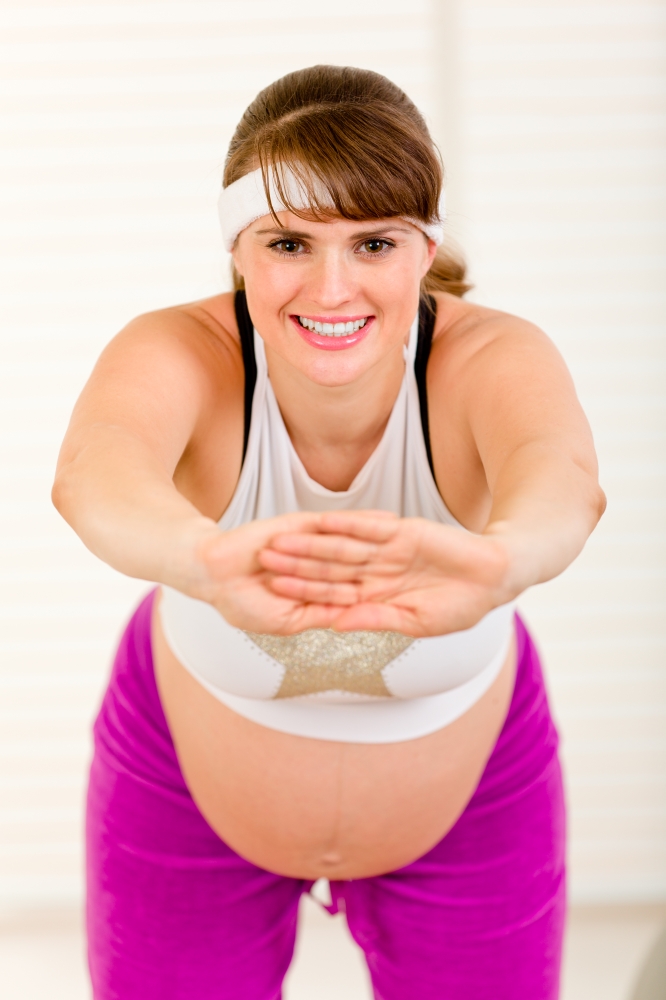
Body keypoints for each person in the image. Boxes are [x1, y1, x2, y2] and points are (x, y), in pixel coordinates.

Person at [52, 65, 605, 1000]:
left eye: (374, 242)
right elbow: (95, 474)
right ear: (239, 249)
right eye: (290, 242)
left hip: (476, 797)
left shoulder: (488, 357)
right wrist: (200, 561)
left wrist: (501, 561)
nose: (332, 285)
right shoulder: (183, 350)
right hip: (179, 785)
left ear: (424, 251)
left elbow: (562, 480)